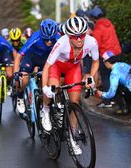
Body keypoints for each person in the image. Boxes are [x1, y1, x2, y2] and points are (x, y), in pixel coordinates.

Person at [41, 16, 99, 155]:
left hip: (73, 68)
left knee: (74, 102)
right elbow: (47, 67)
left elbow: (96, 62)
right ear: (68, 35)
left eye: (82, 35)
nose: (79, 39)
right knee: (53, 89)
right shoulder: (61, 43)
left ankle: (72, 136)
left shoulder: (92, 42)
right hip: (56, 67)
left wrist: (90, 76)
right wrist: (45, 87)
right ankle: (46, 110)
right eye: (75, 36)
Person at [13, 19, 60, 114]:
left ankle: (45, 105)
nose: (49, 42)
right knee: (23, 79)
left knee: (47, 82)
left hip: (46, 60)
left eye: (51, 39)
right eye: (46, 39)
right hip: (31, 58)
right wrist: (15, 73)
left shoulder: (58, 38)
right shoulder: (35, 37)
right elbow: (19, 56)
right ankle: (20, 96)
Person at [87, 6, 122, 108]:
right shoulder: (110, 24)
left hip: (107, 56)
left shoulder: (98, 28)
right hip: (117, 53)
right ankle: (118, 100)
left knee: (106, 77)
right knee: (116, 76)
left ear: (94, 18)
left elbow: (95, 44)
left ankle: (108, 100)